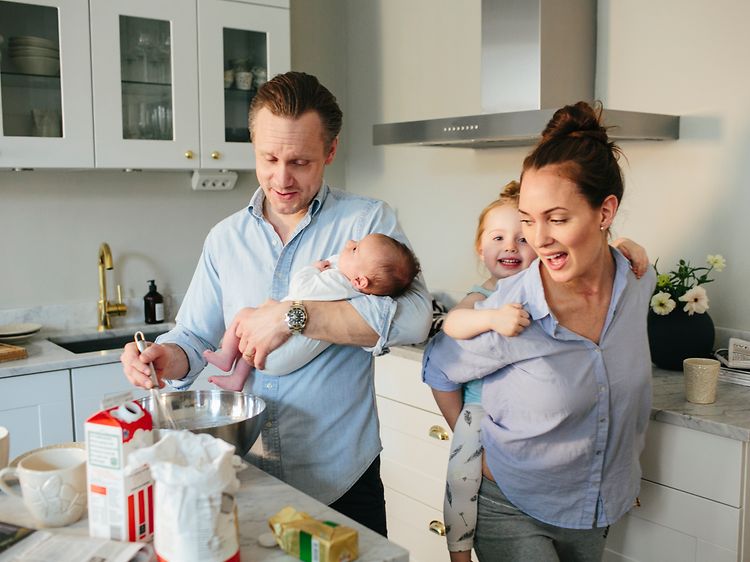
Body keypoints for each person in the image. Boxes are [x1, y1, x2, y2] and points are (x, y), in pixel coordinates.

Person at [120, 71, 433, 536]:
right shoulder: (225, 238)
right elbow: (194, 334)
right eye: (268, 158)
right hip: (243, 473)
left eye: (301, 162)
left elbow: (414, 318)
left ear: (330, 152)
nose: (281, 178)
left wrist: (292, 318)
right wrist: (165, 356)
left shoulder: (367, 223)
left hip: (342, 478)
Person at [422, 101, 656, 561]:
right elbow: (440, 368)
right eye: (528, 218)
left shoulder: (638, 280)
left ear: (605, 212)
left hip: (596, 507)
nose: (538, 238)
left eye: (557, 218)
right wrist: (476, 449)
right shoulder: (511, 308)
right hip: (512, 505)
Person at [206, 233, 421, 390]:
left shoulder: (337, 280)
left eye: (355, 249)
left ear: (359, 280)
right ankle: (238, 378)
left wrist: (313, 269)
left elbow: (300, 288)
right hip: (278, 354)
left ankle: (226, 355)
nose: (348, 243)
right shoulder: (359, 292)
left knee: (245, 314)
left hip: (277, 351)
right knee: (261, 317)